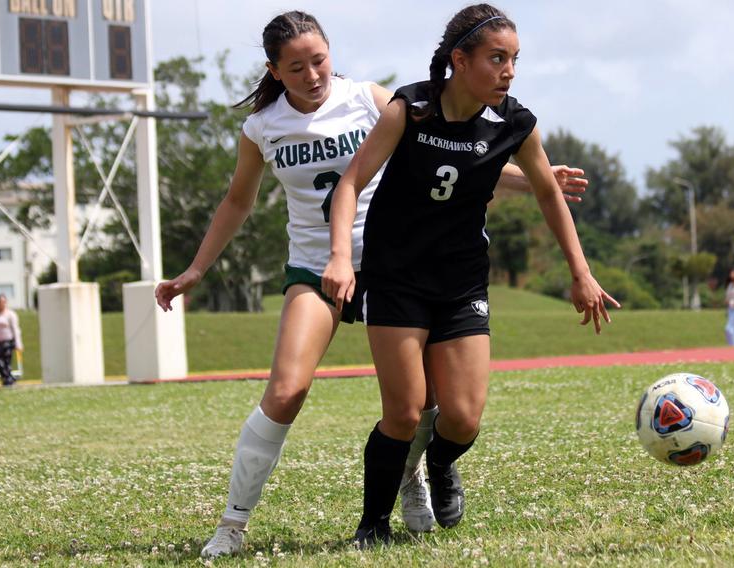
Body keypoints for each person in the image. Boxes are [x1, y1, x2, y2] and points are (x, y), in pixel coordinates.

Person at [153, 10, 589, 559]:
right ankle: (233, 525)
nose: (312, 75)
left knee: (427, 405)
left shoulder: (366, 98)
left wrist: (534, 180)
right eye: (296, 67)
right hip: (319, 267)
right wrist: (195, 269)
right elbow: (237, 202)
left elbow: (447, 146)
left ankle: (411, 479)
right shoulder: (262, 127)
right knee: (286, 391)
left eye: (319, 60)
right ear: (274, 70)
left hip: (394, 261)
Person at [322, 3, 619, 548]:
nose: (509, 70)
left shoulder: (515, 123)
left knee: (461, 419)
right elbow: (349, 185)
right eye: (497, 58)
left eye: (515, 60)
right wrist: (341, 256)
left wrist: (581, 273)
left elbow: (548, 193)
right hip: (396, 277)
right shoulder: (409, 109)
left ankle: (441, 464)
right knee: (406, 411)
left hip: (461, 284)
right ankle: (372, 527)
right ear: (459, 60)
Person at [0, 294, 22, 387]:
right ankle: (8, 378)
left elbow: (15, 329)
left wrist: (18, 343)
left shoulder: (10, 314)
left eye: (3, 302)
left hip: (8, 341)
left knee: (6, 362)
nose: (1, 304)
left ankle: (8, 381)